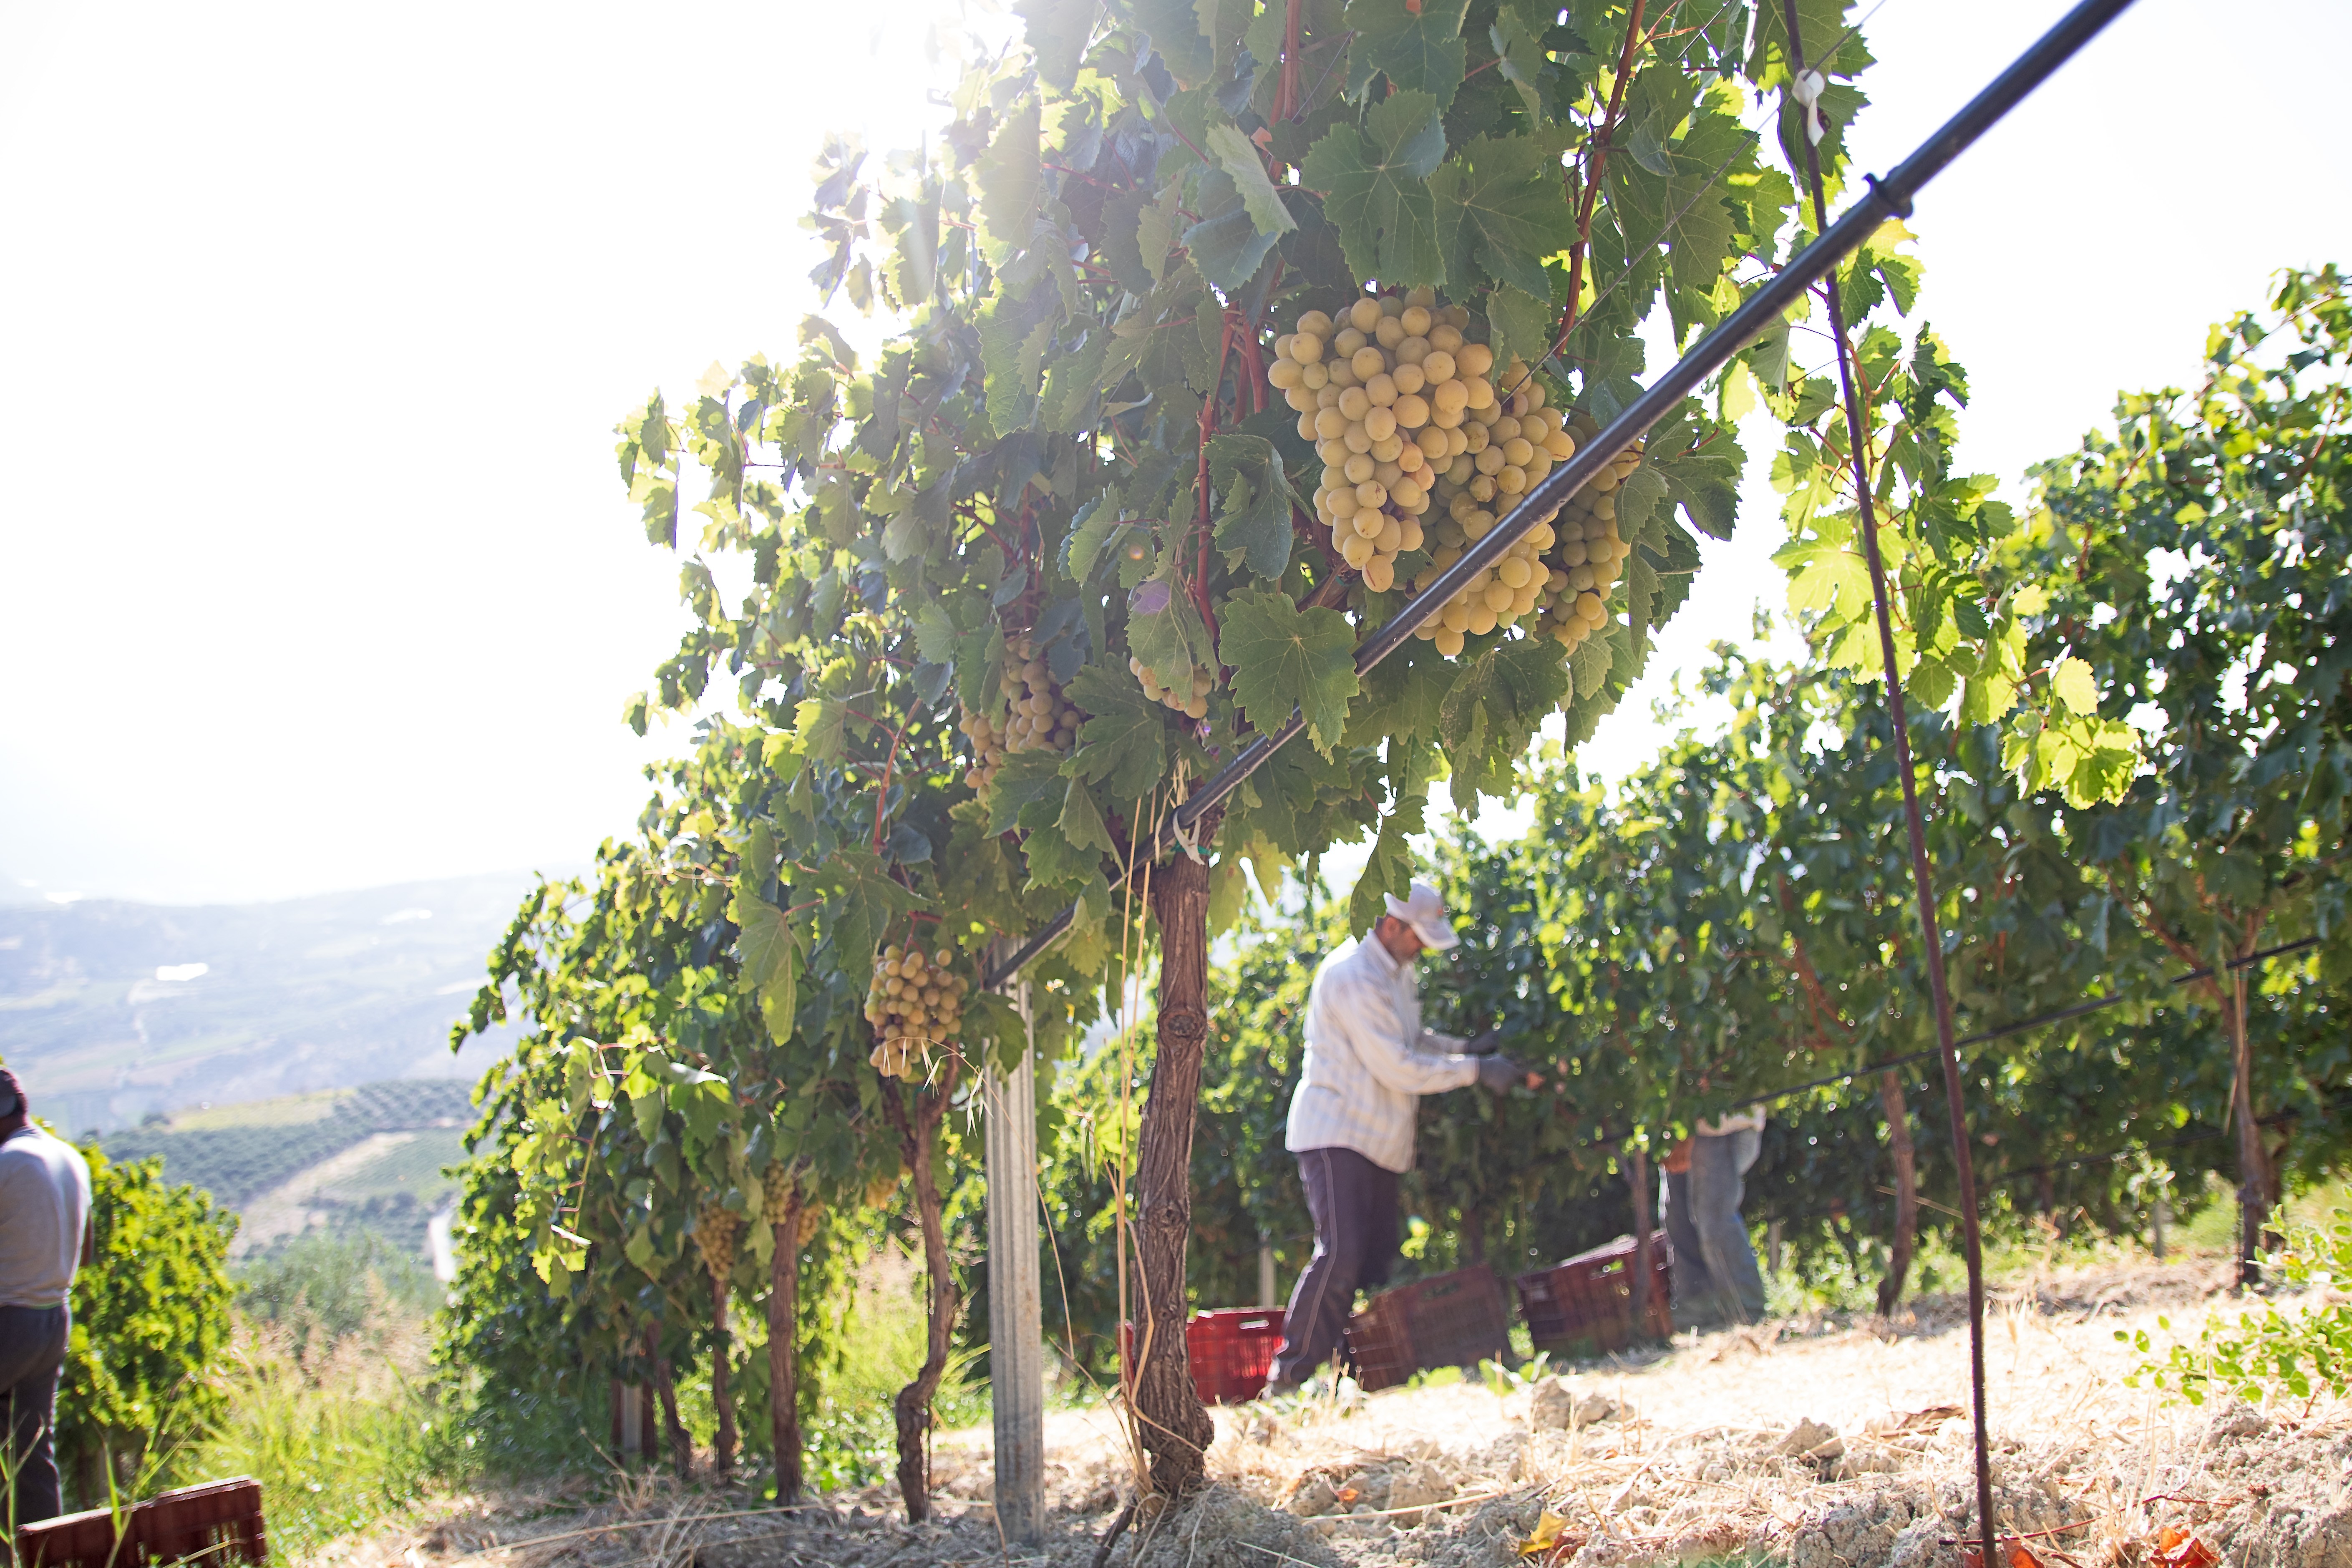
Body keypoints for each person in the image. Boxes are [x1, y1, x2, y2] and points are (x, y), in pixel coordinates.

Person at [1264, 881, 1529, 1392]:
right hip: (1336, 1132)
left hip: (1377, 1139)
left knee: (1374, 1257)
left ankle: (1347, 1376)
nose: (1425, 948)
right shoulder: (1352, 978)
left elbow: (1413, 1040)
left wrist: (1466, 1048)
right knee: (1339, 1254)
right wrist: (1475, 1069)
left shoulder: (1396, 974)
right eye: (1419, 937)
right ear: (1390, 926)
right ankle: (1287, 1379)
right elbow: (1400, 1068)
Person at [0, 1070, 96, 1527]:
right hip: (55, 1319)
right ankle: (45, 1557)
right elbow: (89, 1250)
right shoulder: (70, 1158)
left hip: (8, 1320)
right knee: (33, 1453)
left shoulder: (8, 1163)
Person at [1660, 1107, 1766, 1328]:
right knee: (1677, 1221)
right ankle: (1699, 1315)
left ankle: (1747, 1312)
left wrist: (1687, 1133)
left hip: (1722, 1126)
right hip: (1681, 1130)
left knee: (1714, 1218)